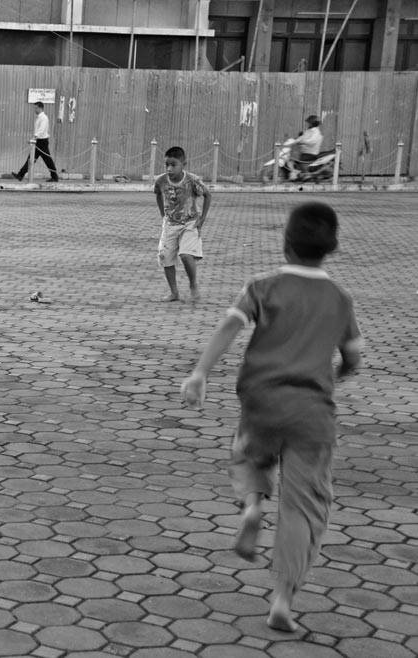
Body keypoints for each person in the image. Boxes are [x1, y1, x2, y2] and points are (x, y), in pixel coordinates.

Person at [181, 201, 362, 633]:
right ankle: (283, 599)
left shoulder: (262, 287)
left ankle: (250, 506)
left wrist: (200, 373)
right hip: (313, 417)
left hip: (261, 404)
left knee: (248, 456)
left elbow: (229, 328)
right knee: (304, 508)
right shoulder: (340, 299)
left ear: (285, 241)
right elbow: (353, 358)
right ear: (332, 247)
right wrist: (333, 375)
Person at [154, 145, 211, 302]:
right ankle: (174, 292)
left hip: (190, 223)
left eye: (173, 165)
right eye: (167, 165)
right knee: (165, 256)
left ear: (183, 164)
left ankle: (193, 284)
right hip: (170, 224)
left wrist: (202, 219)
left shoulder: (192, 180)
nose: (169, 169)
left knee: (186, 255)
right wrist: (162, 214)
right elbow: (157, 194)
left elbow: (207, 195)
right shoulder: (161, 181)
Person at [11, 101, 59, 183]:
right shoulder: (39, 117)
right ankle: (20, 175)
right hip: (38, 141)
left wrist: (34, 138)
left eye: (35, 108)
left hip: (42, 142)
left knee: (47, 160)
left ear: (40, 108)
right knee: (31, 159)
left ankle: (54, 177)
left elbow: (41, 130)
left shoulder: (44, 118)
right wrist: (34, 139)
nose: (34, 109)